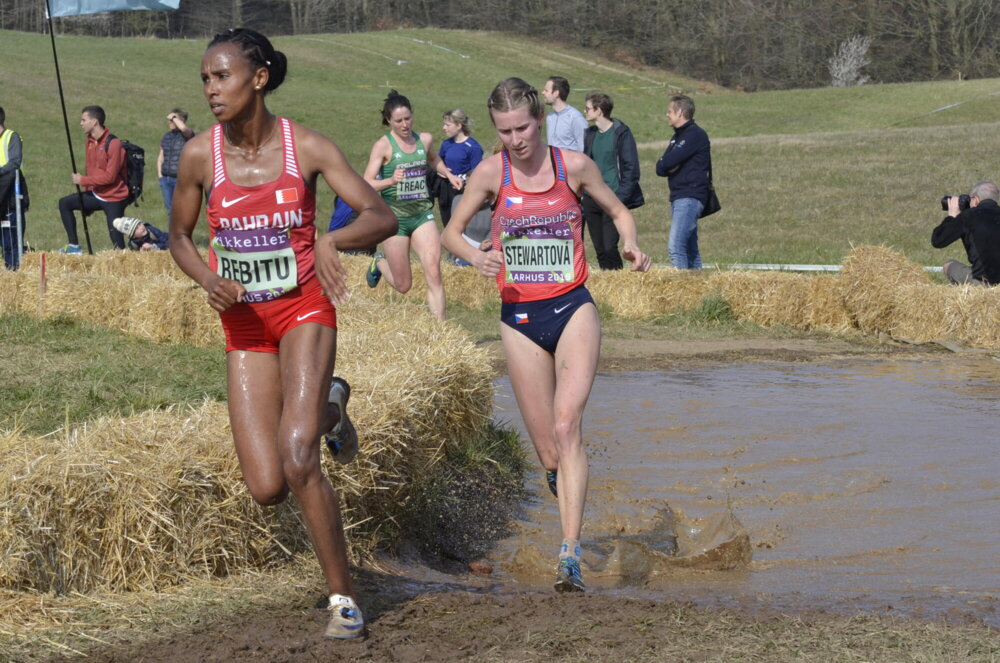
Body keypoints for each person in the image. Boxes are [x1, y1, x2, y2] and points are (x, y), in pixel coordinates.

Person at [168, 28, 396, 640]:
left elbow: (381, 214)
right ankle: (331, 405)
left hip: (303, 310)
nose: (212, 89)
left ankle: (344, 600)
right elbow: (180, 237)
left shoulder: (308, 148)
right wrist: (207, 279)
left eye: (223, 76)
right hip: (244, 324)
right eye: (206, 80)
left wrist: (331, 239)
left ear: (259, 78)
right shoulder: (197, 156)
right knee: (268, 486)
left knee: (299, 459)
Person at [441, 77, 651, 593]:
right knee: (550, 456)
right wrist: (474, 256)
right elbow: (451, 230)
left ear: (540, 119)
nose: (516, 139)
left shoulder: (572, 167)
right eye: (505, 130)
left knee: (566, 425)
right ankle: (566, 489)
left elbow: (620, 211)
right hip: (520, 320)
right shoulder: (491, 173)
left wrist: (629, 244)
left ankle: (570, 554)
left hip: (573, 306)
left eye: (524, 127)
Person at [363, 90, 459, 322]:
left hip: (422, 214)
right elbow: (366, 183)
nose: (405, 124)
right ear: (389, 121)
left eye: (408, 118)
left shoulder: (423, 140)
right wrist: (390, 181)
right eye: (399, 121)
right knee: (403, 284)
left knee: (434, 270)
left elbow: (432, 159)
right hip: (395, 220)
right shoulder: (383, 146)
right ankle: (379, 262)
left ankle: (441, 330)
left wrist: (447, 174)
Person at [582, 92, 644, 270]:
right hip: (591, 198)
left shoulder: (621, 133)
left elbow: (631, 169)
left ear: (599, 110)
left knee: (610, 247)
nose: (584, 111)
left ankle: (618, 280)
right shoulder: (590, 134)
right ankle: (608, 285)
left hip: (612, 198)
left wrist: (620, 198)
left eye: (587, 108)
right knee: (600, 249)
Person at [57, 105, 129, 253]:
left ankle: (123, 264)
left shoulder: (114, 143)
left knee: (117, 244)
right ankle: (74, 247)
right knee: (65, 203)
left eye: (84, 120)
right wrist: (87, 194)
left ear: (94, 121)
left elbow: (110, 177)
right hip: (96, 194)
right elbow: (91, 170)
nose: (81, 123)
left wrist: (82, 181)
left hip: (113, 197)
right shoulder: (89, 141)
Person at [655, 94, 712, 269]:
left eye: (670, 111)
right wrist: (669, 164)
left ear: (680, 113)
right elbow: (660, 167)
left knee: (676, 246)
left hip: (689, 197)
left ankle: (682, 289)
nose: (667, 114)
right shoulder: (677, 137)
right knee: (690, 249)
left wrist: (670, 164)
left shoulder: (694, 135)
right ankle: (698, 288)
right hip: (679, 197)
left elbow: (669, 162)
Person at [931, 181, 1000, 286]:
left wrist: (952, 216)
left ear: (976, 200)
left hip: (984, 282)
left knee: (948, 265)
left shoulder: (968, 216)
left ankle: (963, 296)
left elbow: (938, 241)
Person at [436, 108, 483, 227]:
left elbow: (476, 174)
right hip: (446, 193)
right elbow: (438, 162)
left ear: (459, 125)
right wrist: (442, 172)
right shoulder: (446, 144)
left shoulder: (473, 147)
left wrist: (465, 181)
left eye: (447, 125)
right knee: (447, 226)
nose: (444, 128)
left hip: (463, 194)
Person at [0, 106, 28, 269]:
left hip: (10, 195)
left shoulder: (12, 137)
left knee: (10, 240)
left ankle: (14, 271)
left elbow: (14, 164)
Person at [157, 108, 195, 217]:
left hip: (180, 180)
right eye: (169, 120)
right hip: (166, 179)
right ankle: (172, 234)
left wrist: (174, 117)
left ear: (180, 121)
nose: (170, 122)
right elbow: (160, 158)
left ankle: (183, 234)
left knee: (182, 211)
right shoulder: (166, 136)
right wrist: (161, 177)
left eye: (172, 120)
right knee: (170, 212)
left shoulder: (187, 135)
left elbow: (183, 128)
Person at [542, 76, 586, 152]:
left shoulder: (575, 117)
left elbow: (584, 148)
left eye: (546, 90)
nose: (543, 93)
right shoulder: (550, 117)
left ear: (556, 93)